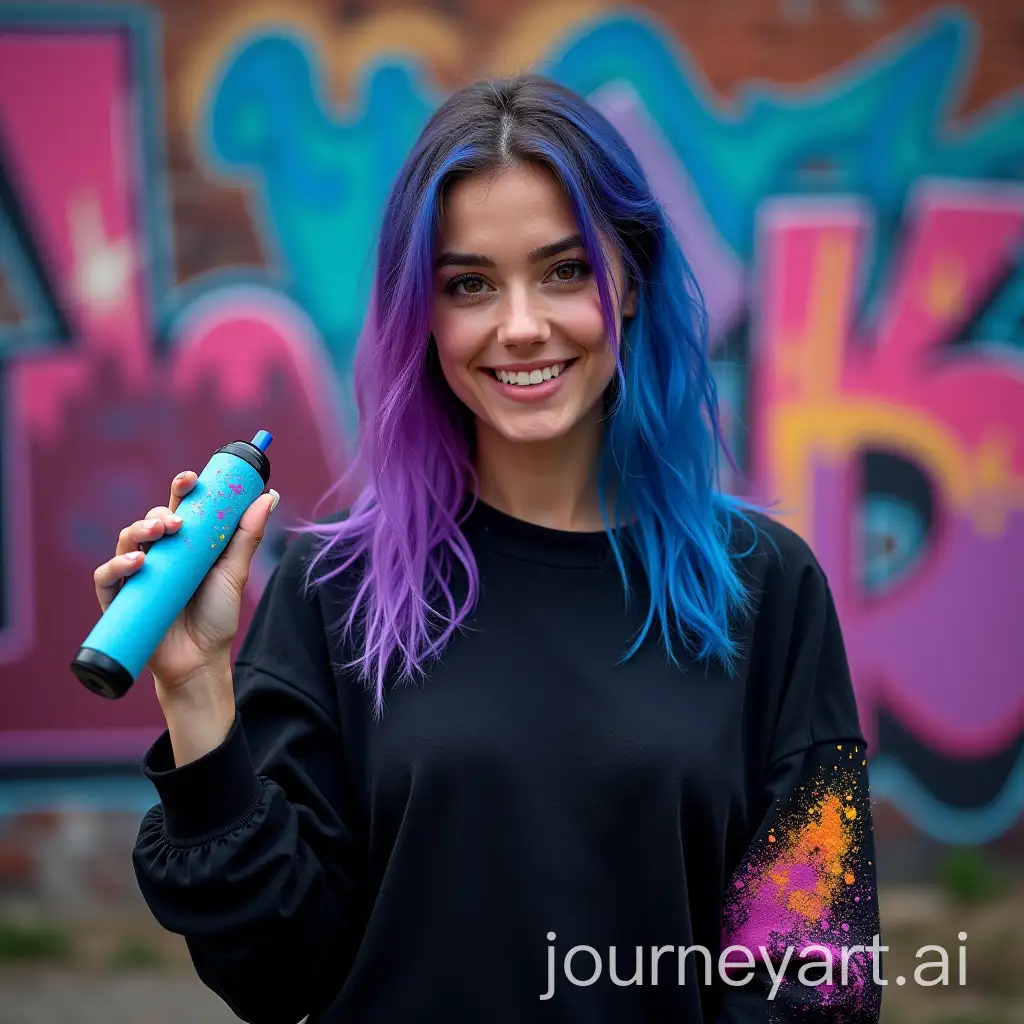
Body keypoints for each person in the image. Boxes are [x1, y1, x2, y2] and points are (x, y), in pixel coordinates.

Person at [95, 75, 882, 1023]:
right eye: (469, 284)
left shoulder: (768, 587)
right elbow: (275, 974)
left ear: (629, 280)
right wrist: (194, 691)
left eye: (565, 270)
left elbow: (816, 978)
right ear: (420, 317)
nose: (520, 326)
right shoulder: (334, 590)